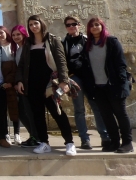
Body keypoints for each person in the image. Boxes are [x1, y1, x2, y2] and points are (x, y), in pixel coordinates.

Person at [15, 15, 77, 156]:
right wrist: (19, 81)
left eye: (35, 23)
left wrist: (64, 81)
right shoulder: (28, 43)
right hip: (32, 84)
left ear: (41, 24)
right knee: (38, 115)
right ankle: (44, 142)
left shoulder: (53, 40)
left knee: (57, 113)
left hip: (50, 84)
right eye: (30, 25)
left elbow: (61, 62)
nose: (33, 26)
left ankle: (69, 142)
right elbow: (22, 65)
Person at [83, 17, 133, 153]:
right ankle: (114, 142)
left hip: (114, 85)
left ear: (102, 26)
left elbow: (120, 63)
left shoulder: (111, 42)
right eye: (91, 26)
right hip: (98, 87)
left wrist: (121, 82)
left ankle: (127, 142)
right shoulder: (88, 45)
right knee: (107, 116)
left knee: (120, 114)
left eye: (97, 24)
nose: (94, 27)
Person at [62, 16, 110, 150]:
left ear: (79, 25)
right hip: (74, 77)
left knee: (97, 107)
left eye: (74, 24)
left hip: (90, 78)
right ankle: (84, 139)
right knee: (79, 109)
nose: (71, 26)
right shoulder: (64, 42)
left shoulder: (87, 40)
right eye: (68, 25)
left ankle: (105, 136)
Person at [10, 25, 39, 148]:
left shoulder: (28, 47)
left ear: (23, 34)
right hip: (22, 86)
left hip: (30, 85)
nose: (16, 37)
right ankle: (34, 135)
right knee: (22, 112)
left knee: (30, 112)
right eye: (14, 35)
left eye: (18, 34)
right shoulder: (18, 49)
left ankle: (36, 137)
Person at [0, 25, 21, 145]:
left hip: (12, 80)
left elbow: (16, 65)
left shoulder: (14, 46)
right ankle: (5, 134)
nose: (0, 35)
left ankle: (17, 133)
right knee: (2, 109)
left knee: (14, 107)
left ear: (6, 33)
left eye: (2, 32)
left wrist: (11, 81)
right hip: (0, 81)